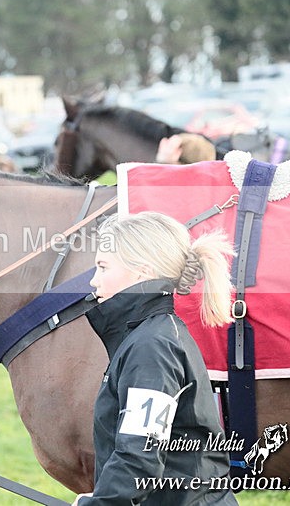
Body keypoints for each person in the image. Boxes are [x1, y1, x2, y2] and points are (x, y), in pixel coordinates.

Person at [74, 211, 238, 505]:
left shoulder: (153, 347)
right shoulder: (149, 336)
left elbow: (140, 456)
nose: (94, 281)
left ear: (142, 272)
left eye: (103, 267)